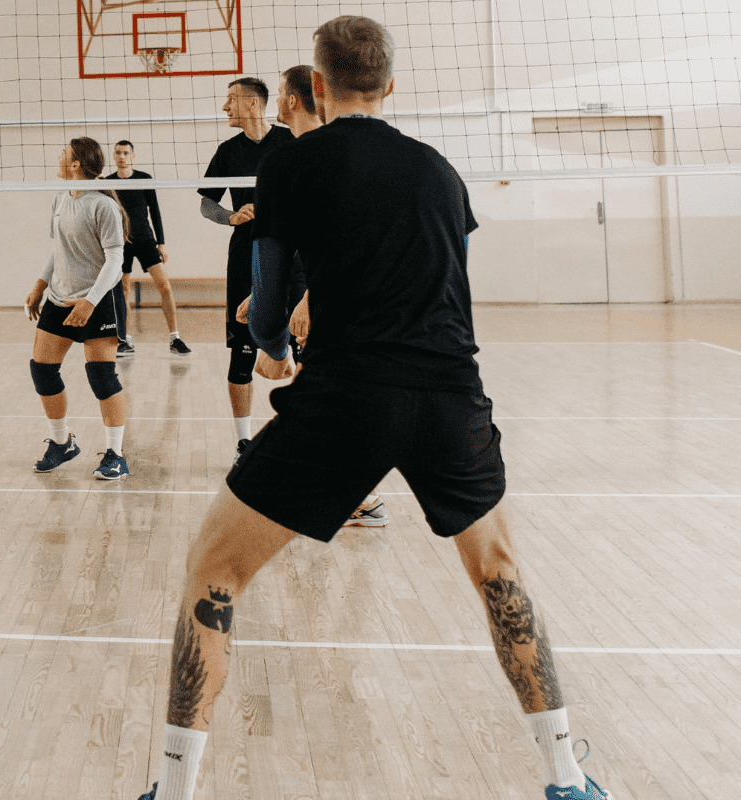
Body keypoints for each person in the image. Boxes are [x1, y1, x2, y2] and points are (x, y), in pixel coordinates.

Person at [134, 16, 613, 800]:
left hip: (346, 397)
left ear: (315, 86)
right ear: (391, 86)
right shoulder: (440, 173)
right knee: (499, 572)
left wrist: (277, 348)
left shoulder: (290, 166)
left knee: (212, 572)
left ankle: (175, 789)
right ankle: (567, 775)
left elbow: (264, 315)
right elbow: (449, 290)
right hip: (449, 393)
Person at [235, 64, 389, 529]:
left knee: (333, 397)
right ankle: (339, 491)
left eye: (280, 92)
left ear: (294, 101)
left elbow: (349, 243)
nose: (275, 99)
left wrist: (301, 305)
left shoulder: (324, 157)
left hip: (331, 299)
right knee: (318, 394)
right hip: (311, 292)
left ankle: (361, 498)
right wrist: (264, 292)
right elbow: (296, 243)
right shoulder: (299, 156)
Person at [198, 77, 294, 462]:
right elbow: (207, 204)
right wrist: (231, 216)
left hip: (293, 257)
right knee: (242, 351)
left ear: (254, 104)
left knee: (303, 349)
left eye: (231, 100)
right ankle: (244, 442)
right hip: (244, 258)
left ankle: (299, 435)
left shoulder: (291, 142)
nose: (225, 107)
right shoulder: (227, 151)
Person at [26, 137, 131, 480]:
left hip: (99, 300)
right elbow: (59, 250)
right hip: (60, 296)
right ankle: (62, 443)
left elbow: (116, 258)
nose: (58, 156)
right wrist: (40, 285)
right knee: (42, 369)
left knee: (101, 376)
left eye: (62, 153)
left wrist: (90, 301)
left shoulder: (103, 206)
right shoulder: (61, 197)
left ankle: (116, 454)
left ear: (75, 164)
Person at [104, 141, 191, 356]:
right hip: (119, 242)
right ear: (114, 156)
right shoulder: (107, 183)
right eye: (118, 153)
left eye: (126, 153)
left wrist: (161, 242)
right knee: (123, 289)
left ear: (133, 156)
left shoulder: (144, 179)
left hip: (145, 240)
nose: (122, 156)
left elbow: (155, 211)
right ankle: (124, 339)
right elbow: (104, 216)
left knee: (165, 286)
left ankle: (175, 338)